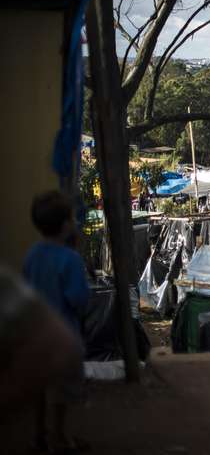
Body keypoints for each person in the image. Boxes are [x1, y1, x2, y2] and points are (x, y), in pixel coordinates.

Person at [23, 190, 91, 453]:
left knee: (40, 387)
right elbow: (79, 299)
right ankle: (61, 436)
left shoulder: (32, 255)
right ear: (65, 225)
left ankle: (39, 435)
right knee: (63, 390)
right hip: (63, 337)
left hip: (35, 335)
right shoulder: (70, 260)